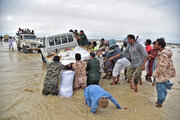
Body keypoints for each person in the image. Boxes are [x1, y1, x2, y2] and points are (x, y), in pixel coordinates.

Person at [153, 38, 175, 108]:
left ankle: (160, 103)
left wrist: (155, 74)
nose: (154, 45)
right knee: (161, 89)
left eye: (156, 44)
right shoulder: (162, 52)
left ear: (160, 46)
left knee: (160, 89)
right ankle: (160, 101)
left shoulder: (164, 55)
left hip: (162, 76)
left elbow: (161, 67)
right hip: (165, 75)